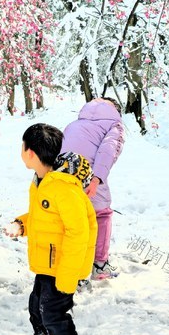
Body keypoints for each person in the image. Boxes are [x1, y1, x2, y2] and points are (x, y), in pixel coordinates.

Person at [5, 123, 97, 335]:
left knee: (53, 313)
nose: (21, 151)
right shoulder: (42, 182)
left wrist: (68, 277)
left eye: (22, 147)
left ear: (31, 152)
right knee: (37, 307)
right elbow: (43, 218)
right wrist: (22, 225)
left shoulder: (63, 189)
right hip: (47, 263)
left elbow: (78, 233)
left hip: (62, 267)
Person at [60, 97, 125, 280]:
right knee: (101, 215)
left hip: (63, 176)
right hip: (89, 176)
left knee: (72, 220)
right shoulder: (114, 125)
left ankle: (70, 267)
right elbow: (108, 150)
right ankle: (99, 265)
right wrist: (96, 179)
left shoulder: (74, 124)